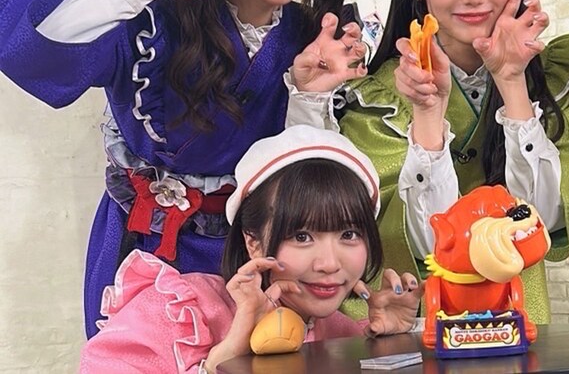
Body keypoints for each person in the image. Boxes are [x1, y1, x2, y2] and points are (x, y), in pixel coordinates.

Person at [0, 0, 366, 337]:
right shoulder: (153, 14)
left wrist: (309, 96)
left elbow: (306, 179)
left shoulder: (311, 39)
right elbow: (32, 50)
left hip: (256, 260)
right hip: (147, 254)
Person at [288, 0, 569, 323]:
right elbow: (417, 244)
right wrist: (427, 116)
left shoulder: (553, 82)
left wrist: (512, 84)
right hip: (408, 328)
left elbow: (546, 222)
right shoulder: (375, 99)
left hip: (520, 323)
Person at [80, 126, 421, 373]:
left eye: (349, 234)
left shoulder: (341, 334)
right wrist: (223, 360)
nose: (330, 263)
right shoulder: (177, 310)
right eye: (302, 236)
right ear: (253, 242)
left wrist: (388, 344)